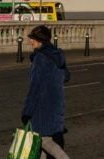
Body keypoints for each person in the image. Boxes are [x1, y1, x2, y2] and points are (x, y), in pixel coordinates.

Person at [21, 25, 71, 159]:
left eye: (33, 39)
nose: (30, 41)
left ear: (40, 40)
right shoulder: (57, 55)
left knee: (44, 140)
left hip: (42, 107)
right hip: (55, 105)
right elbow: (66, 76)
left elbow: (34, 89)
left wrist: (27, 112)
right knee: (41, 148)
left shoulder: (40, 58)